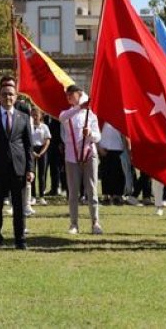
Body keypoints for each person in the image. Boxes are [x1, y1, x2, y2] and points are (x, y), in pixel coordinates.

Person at [0, 83, 34, 249]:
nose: (8, 97)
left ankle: (20, 239)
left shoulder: (23, 117)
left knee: (19, 207)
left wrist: (30, 169)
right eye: (4, 94)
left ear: (16, 97)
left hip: (18, 168)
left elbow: (28, 145)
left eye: (11, 94)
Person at [59, 84, 103, 235]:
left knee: (92, 189)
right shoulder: (67, 113)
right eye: (67, 95)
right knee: (73, 192)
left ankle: (95, 222)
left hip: (89, 154)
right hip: (71, 157)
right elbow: (62, 117)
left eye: (71, 94)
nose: (68, 97)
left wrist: (90, 133)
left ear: (79, 93)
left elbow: (98, 137)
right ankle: (74, 224)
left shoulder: (91, 114)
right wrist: (79, 107)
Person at [98, 123, 128, 205]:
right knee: (106, 173)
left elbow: (124, 133)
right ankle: (106, 196)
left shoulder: (119, 116)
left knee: (118, 173)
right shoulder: (101, 116)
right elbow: (96, 131)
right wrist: (98, 147)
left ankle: (117, 196)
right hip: (104, 147)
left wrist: (126, 149)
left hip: (118, 148)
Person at [30, 107, 51, 205]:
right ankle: (33, 196)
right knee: (31, 174)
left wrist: (41, 153)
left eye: (36, 115)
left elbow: (47, 141)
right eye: (33, 115)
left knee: (42, 174)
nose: (34, 117)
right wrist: (32, 152)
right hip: (31, 150)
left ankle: (42, 196)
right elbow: (27, 140)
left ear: (41, 116)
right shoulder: (28, 126)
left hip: (42, 151)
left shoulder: (44, 127)